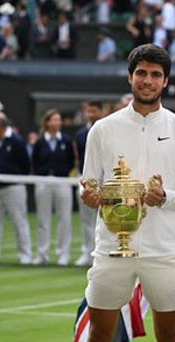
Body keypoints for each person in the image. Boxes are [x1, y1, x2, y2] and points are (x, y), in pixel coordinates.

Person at [79, 44, 175, 342]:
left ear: (165, 81)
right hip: (110, 248)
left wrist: (165, 197)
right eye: (141, 73)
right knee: (99, 337)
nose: (147, 81)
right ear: (130, 76)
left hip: (162, 250)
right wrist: (90, 197)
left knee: (168, 338)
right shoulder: (102, 130)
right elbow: (89, 184)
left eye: (155, 75)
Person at [0, 112, 32, 264]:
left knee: (19, 221)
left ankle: (25, 254)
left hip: (14, 187)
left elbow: (25, 164)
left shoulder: (17, 141)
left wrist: (16, 178)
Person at [32, 109, 75, 266]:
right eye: (54, 120)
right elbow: (35, 162)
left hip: (62, 181)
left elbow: (71, 161)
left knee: (64, 218)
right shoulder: (40, 142)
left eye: (59, 120)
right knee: (43, 220)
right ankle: (42, 254)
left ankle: (63, 255)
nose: (57, 123)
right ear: (47, 122)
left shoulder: (66, 140)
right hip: (43, 182)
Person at [74, 101, 103, 267]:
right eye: (88, 111)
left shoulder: (107, 129)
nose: (91, 114)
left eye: (94, 110)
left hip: (105, 180)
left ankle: (101, 252)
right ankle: (87, 252)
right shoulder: (80, 134)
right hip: (86, 179)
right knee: (86, 219)